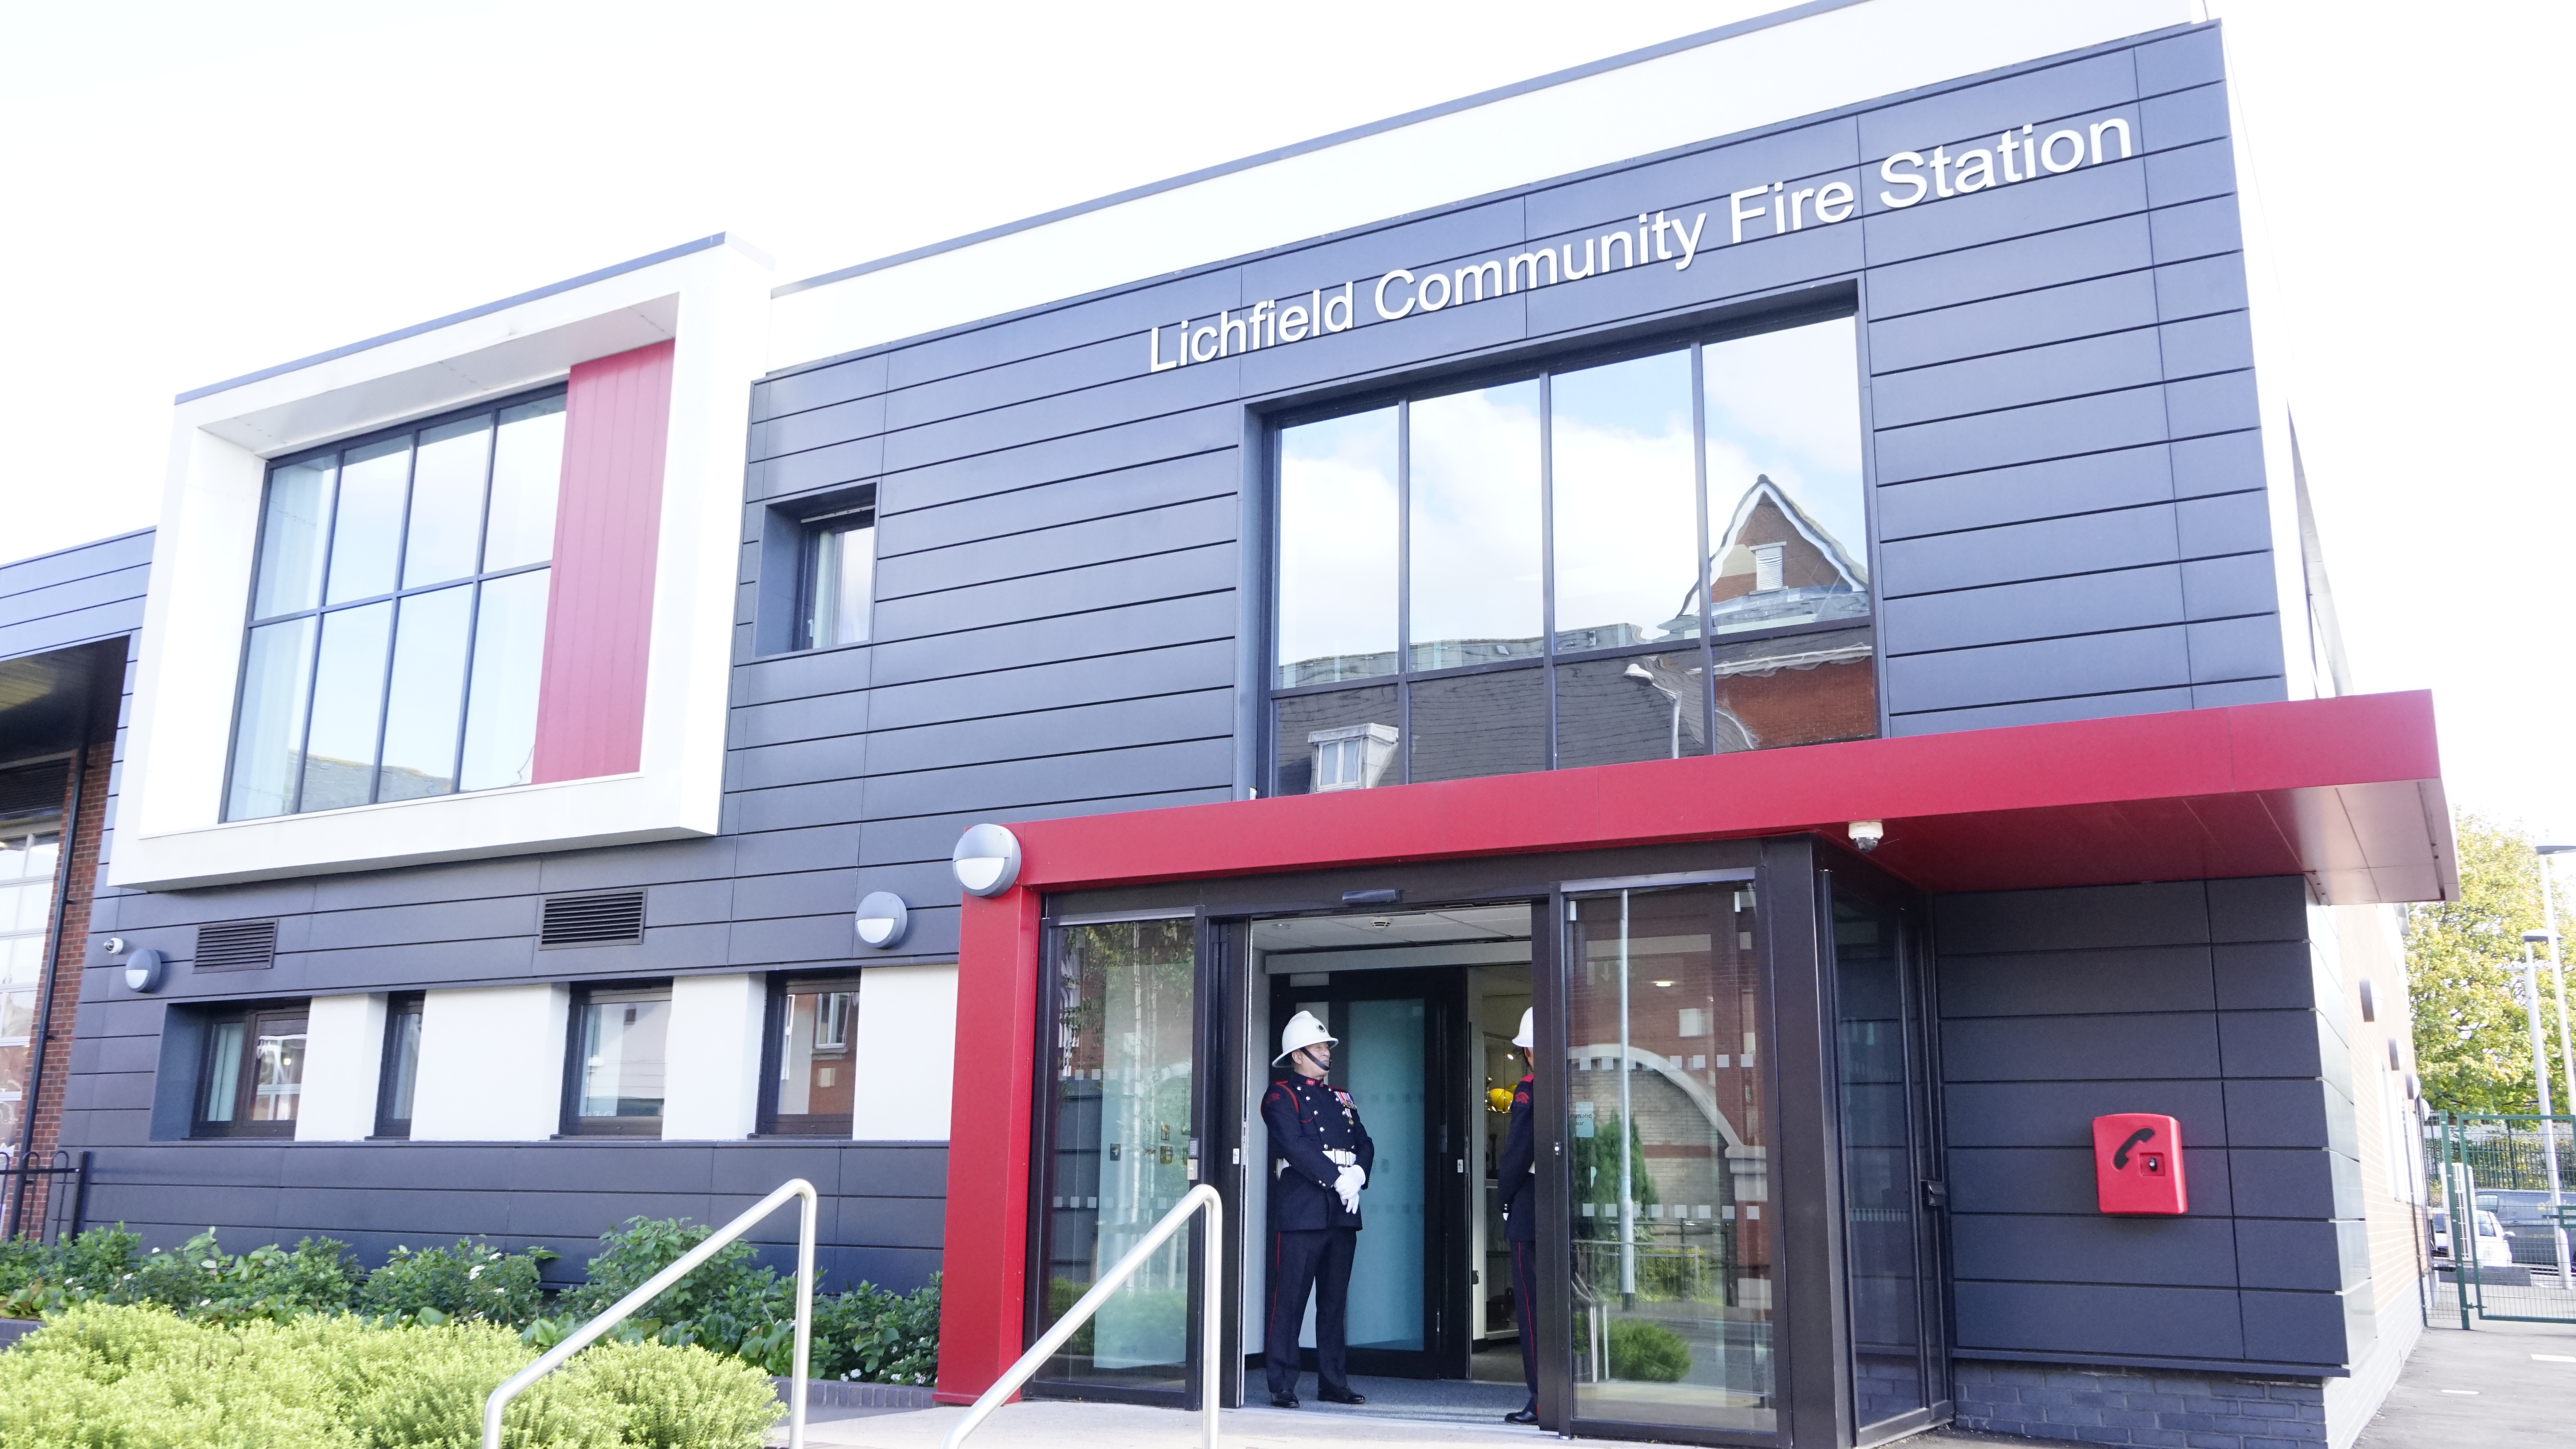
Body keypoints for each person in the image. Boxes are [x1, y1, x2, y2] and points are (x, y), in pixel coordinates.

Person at [1261, 1009, 1373, 1409]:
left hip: (1342, 1207)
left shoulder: (1342, 1096)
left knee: (1333, 1302)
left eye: (1326, 1045)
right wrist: (1337, 1178)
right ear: (1298, 1054)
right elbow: (1295, 1146)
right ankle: (1282, 1382)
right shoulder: (1281, 1095)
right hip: (1304, 1208)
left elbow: (1364, 1141)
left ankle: (1333, 1381)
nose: (1327, 1051)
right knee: (1289, 1300)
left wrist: (1359, 1173)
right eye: (1320, 1045)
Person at [1495, 1007, 1540, 1426]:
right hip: (1561, 1205)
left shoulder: (1529, 1089)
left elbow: (1517, 1153)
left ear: (1527, 1050)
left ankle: (1542, 1395)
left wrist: (1503, 1196)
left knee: (1530, 1307)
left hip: (1530, 1204)